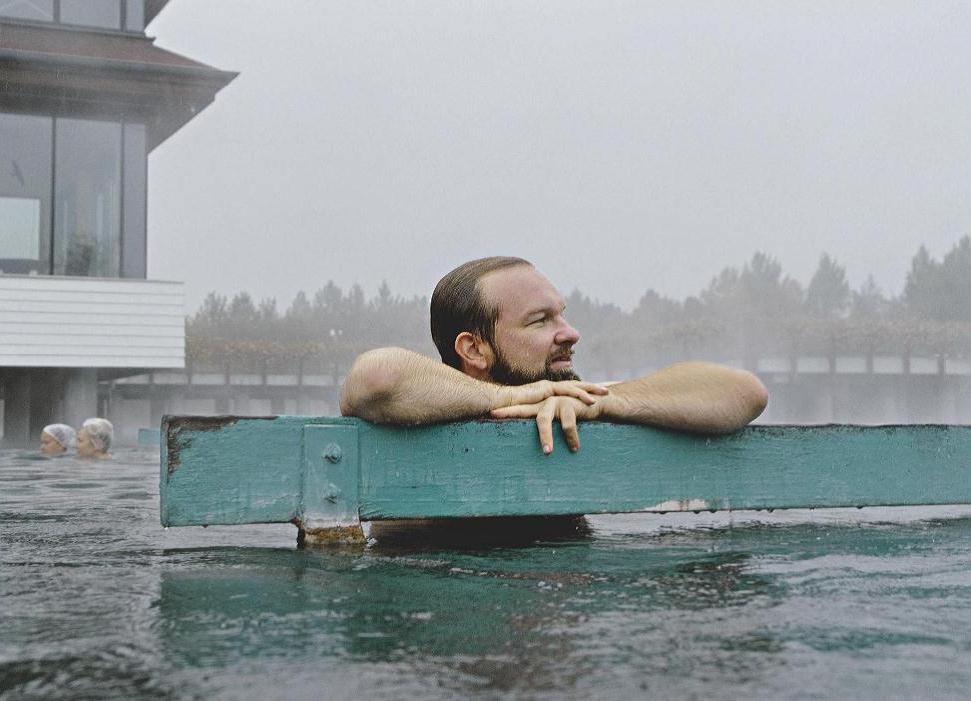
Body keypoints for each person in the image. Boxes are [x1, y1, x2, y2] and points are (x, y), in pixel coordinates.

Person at [341, 256, 768, 452]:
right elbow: (378, 378)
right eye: (539, 320)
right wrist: (511, 399)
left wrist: (605, 404)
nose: (571, 333)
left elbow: (745, 392)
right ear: (474, 348)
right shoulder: (413, 413)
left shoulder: (571, 402)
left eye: (562, 315)